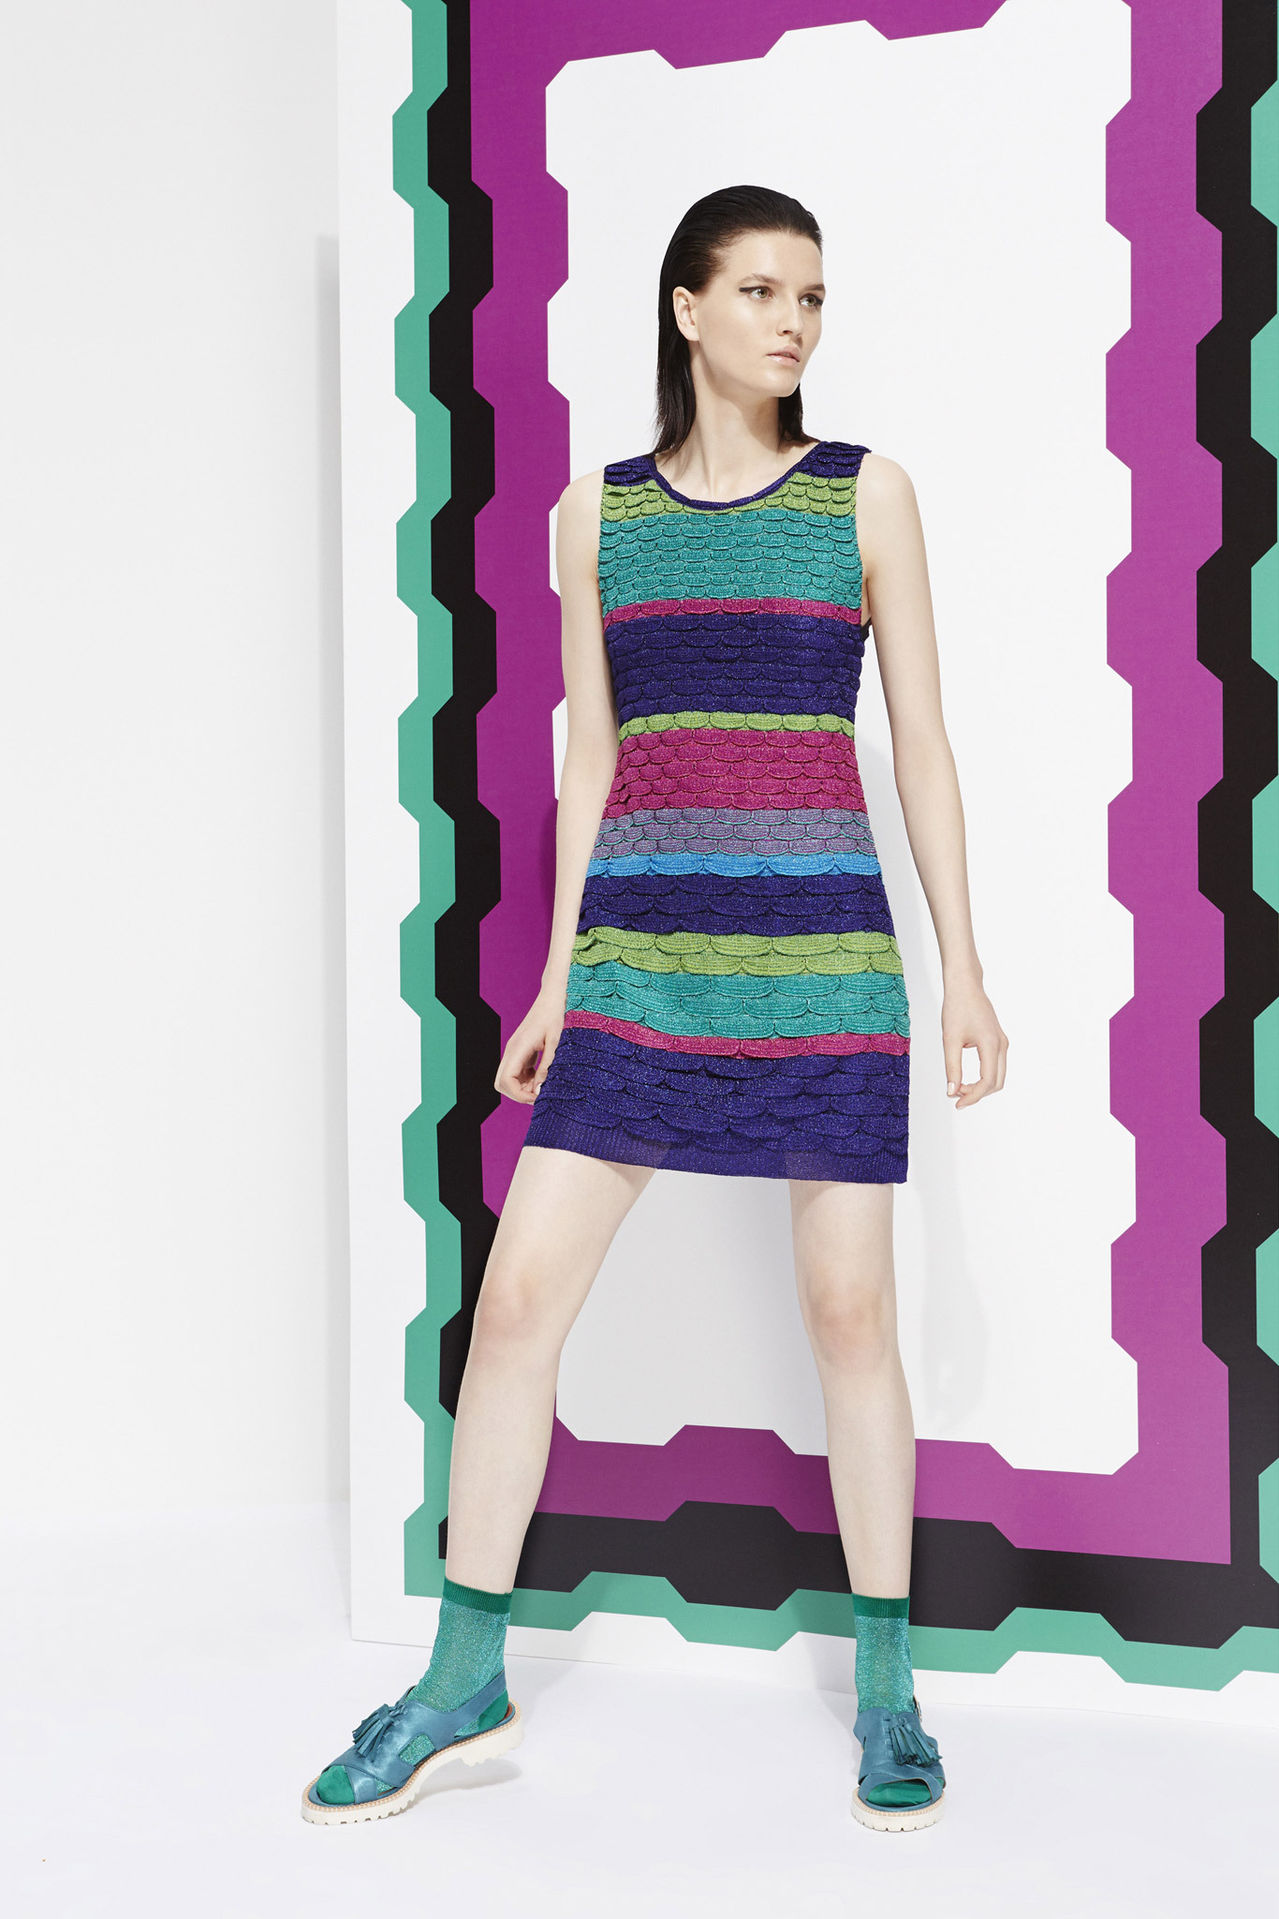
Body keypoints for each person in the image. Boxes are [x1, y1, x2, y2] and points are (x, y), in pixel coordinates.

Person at [302, 184, 1008, 1833]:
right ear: (686, 307)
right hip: (641, 966)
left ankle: (888, 1694)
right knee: (516, 1309)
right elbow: (593, 755)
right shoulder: (596, 514)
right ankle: (461, 1682)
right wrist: (559, 977)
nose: (792, 322)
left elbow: (920, 743)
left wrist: (965, 965)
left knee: (851, 1321)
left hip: (826, 966)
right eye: (759, 290)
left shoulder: (867, 494)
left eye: (811, 296)